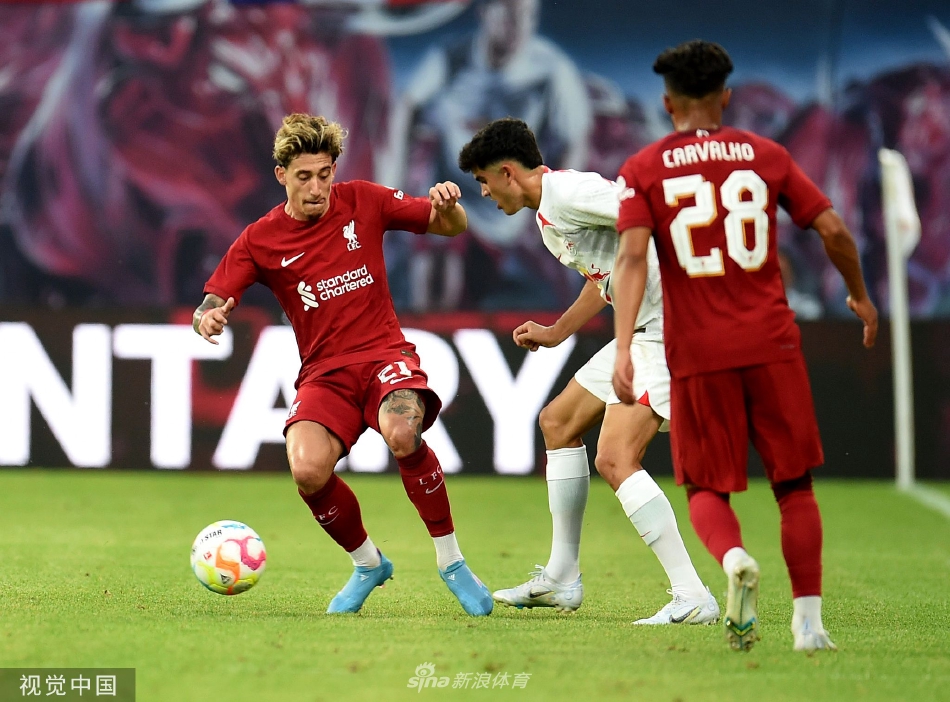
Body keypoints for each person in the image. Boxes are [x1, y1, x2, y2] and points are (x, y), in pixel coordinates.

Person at [611, 41, 878, 651]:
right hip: (773, 344)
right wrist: (860, 296)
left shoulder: (644, 168)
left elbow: (630, 257)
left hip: (698, 353)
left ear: (667, 103)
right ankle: (808, 624)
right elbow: (834, 229)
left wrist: (624, 346)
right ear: (726, 97)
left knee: (706, 488)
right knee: (794, 486)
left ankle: (733, 559)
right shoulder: (766, 155)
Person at [193, 113, 493, 616]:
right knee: (307, 470)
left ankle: (451, 561)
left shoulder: (364, 200)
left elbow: (449, 225)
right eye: (304, 176)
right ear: (281, 175)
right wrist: (208, 317)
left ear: (334, 169)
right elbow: (212, 298)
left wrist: (450, 208)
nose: (317, 188)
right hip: (324, 373)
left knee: (403, 432)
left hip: (384, 355)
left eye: (324, 174)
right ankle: (368, 564)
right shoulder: (260, 239)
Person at [457, 117, 718, 624]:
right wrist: (558, 331)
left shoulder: (572, 193)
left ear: (508, 173)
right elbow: (606, 275)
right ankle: (562, 577)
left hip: (668, 328)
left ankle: (692, 595)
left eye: (484, 181)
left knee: (616, 458)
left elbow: (648, 214)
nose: (484, 193)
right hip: (641, 328)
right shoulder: (547, 214)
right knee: (557, 422)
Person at [385, 0, 592, 311]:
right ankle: (426, 333)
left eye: (527, 15)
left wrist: (551, 208)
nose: (518, 26)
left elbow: (575, 137)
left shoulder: (552, 70)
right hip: (449, 195)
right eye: (509, 13)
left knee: (474, 295)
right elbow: (406, 106)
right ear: (484, 12)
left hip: (504, 214)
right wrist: (393, 183)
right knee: (428, 274)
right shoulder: (451, 57)